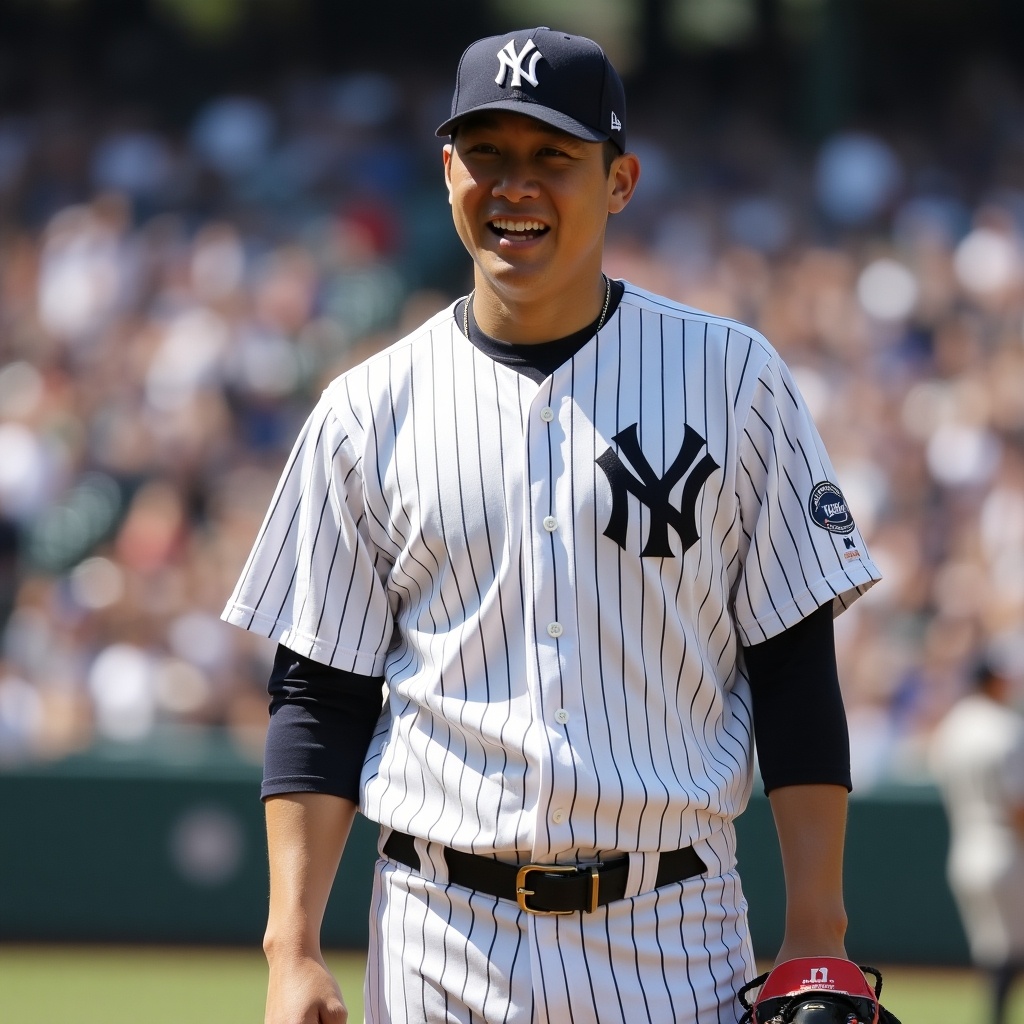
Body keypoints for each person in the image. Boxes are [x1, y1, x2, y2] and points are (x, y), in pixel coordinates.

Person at [222, 26, 882, 1024]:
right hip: (439, 932)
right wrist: (291, 949)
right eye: (487, 153)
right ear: (447, 171)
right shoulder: (366, 410)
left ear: (619, 181)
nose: (514, 184)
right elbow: (320, 694)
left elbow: (791, 661)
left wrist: (818, 936)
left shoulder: (732, 378)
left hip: (672, 934)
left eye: (552, 158)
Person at [930, 659, 1024, 1024]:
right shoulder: (1006, 727)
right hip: (1007, 849)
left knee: (995, 952)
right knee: (1009, 953)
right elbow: (1016, 805)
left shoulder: (953, 726)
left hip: (966, 848)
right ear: (994, 681)